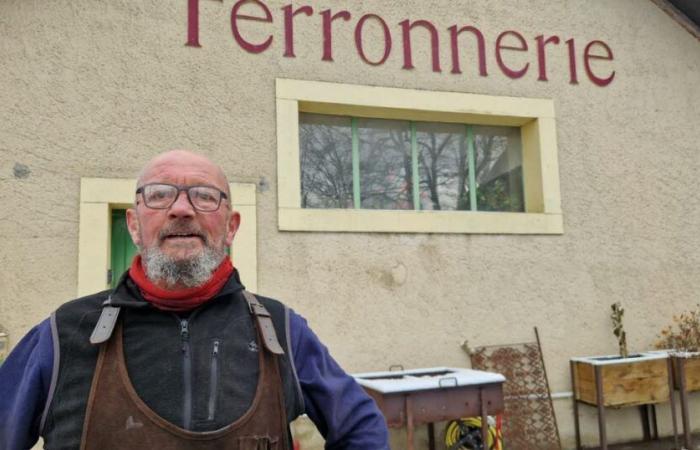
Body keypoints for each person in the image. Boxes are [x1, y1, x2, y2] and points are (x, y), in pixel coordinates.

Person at [0, 150, 389, 450]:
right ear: (134, 224)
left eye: (204, 196)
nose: (181, 209)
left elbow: (362, 427)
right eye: (159, 195)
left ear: (231, 225)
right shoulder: (64, 332)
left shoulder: (281, 329)